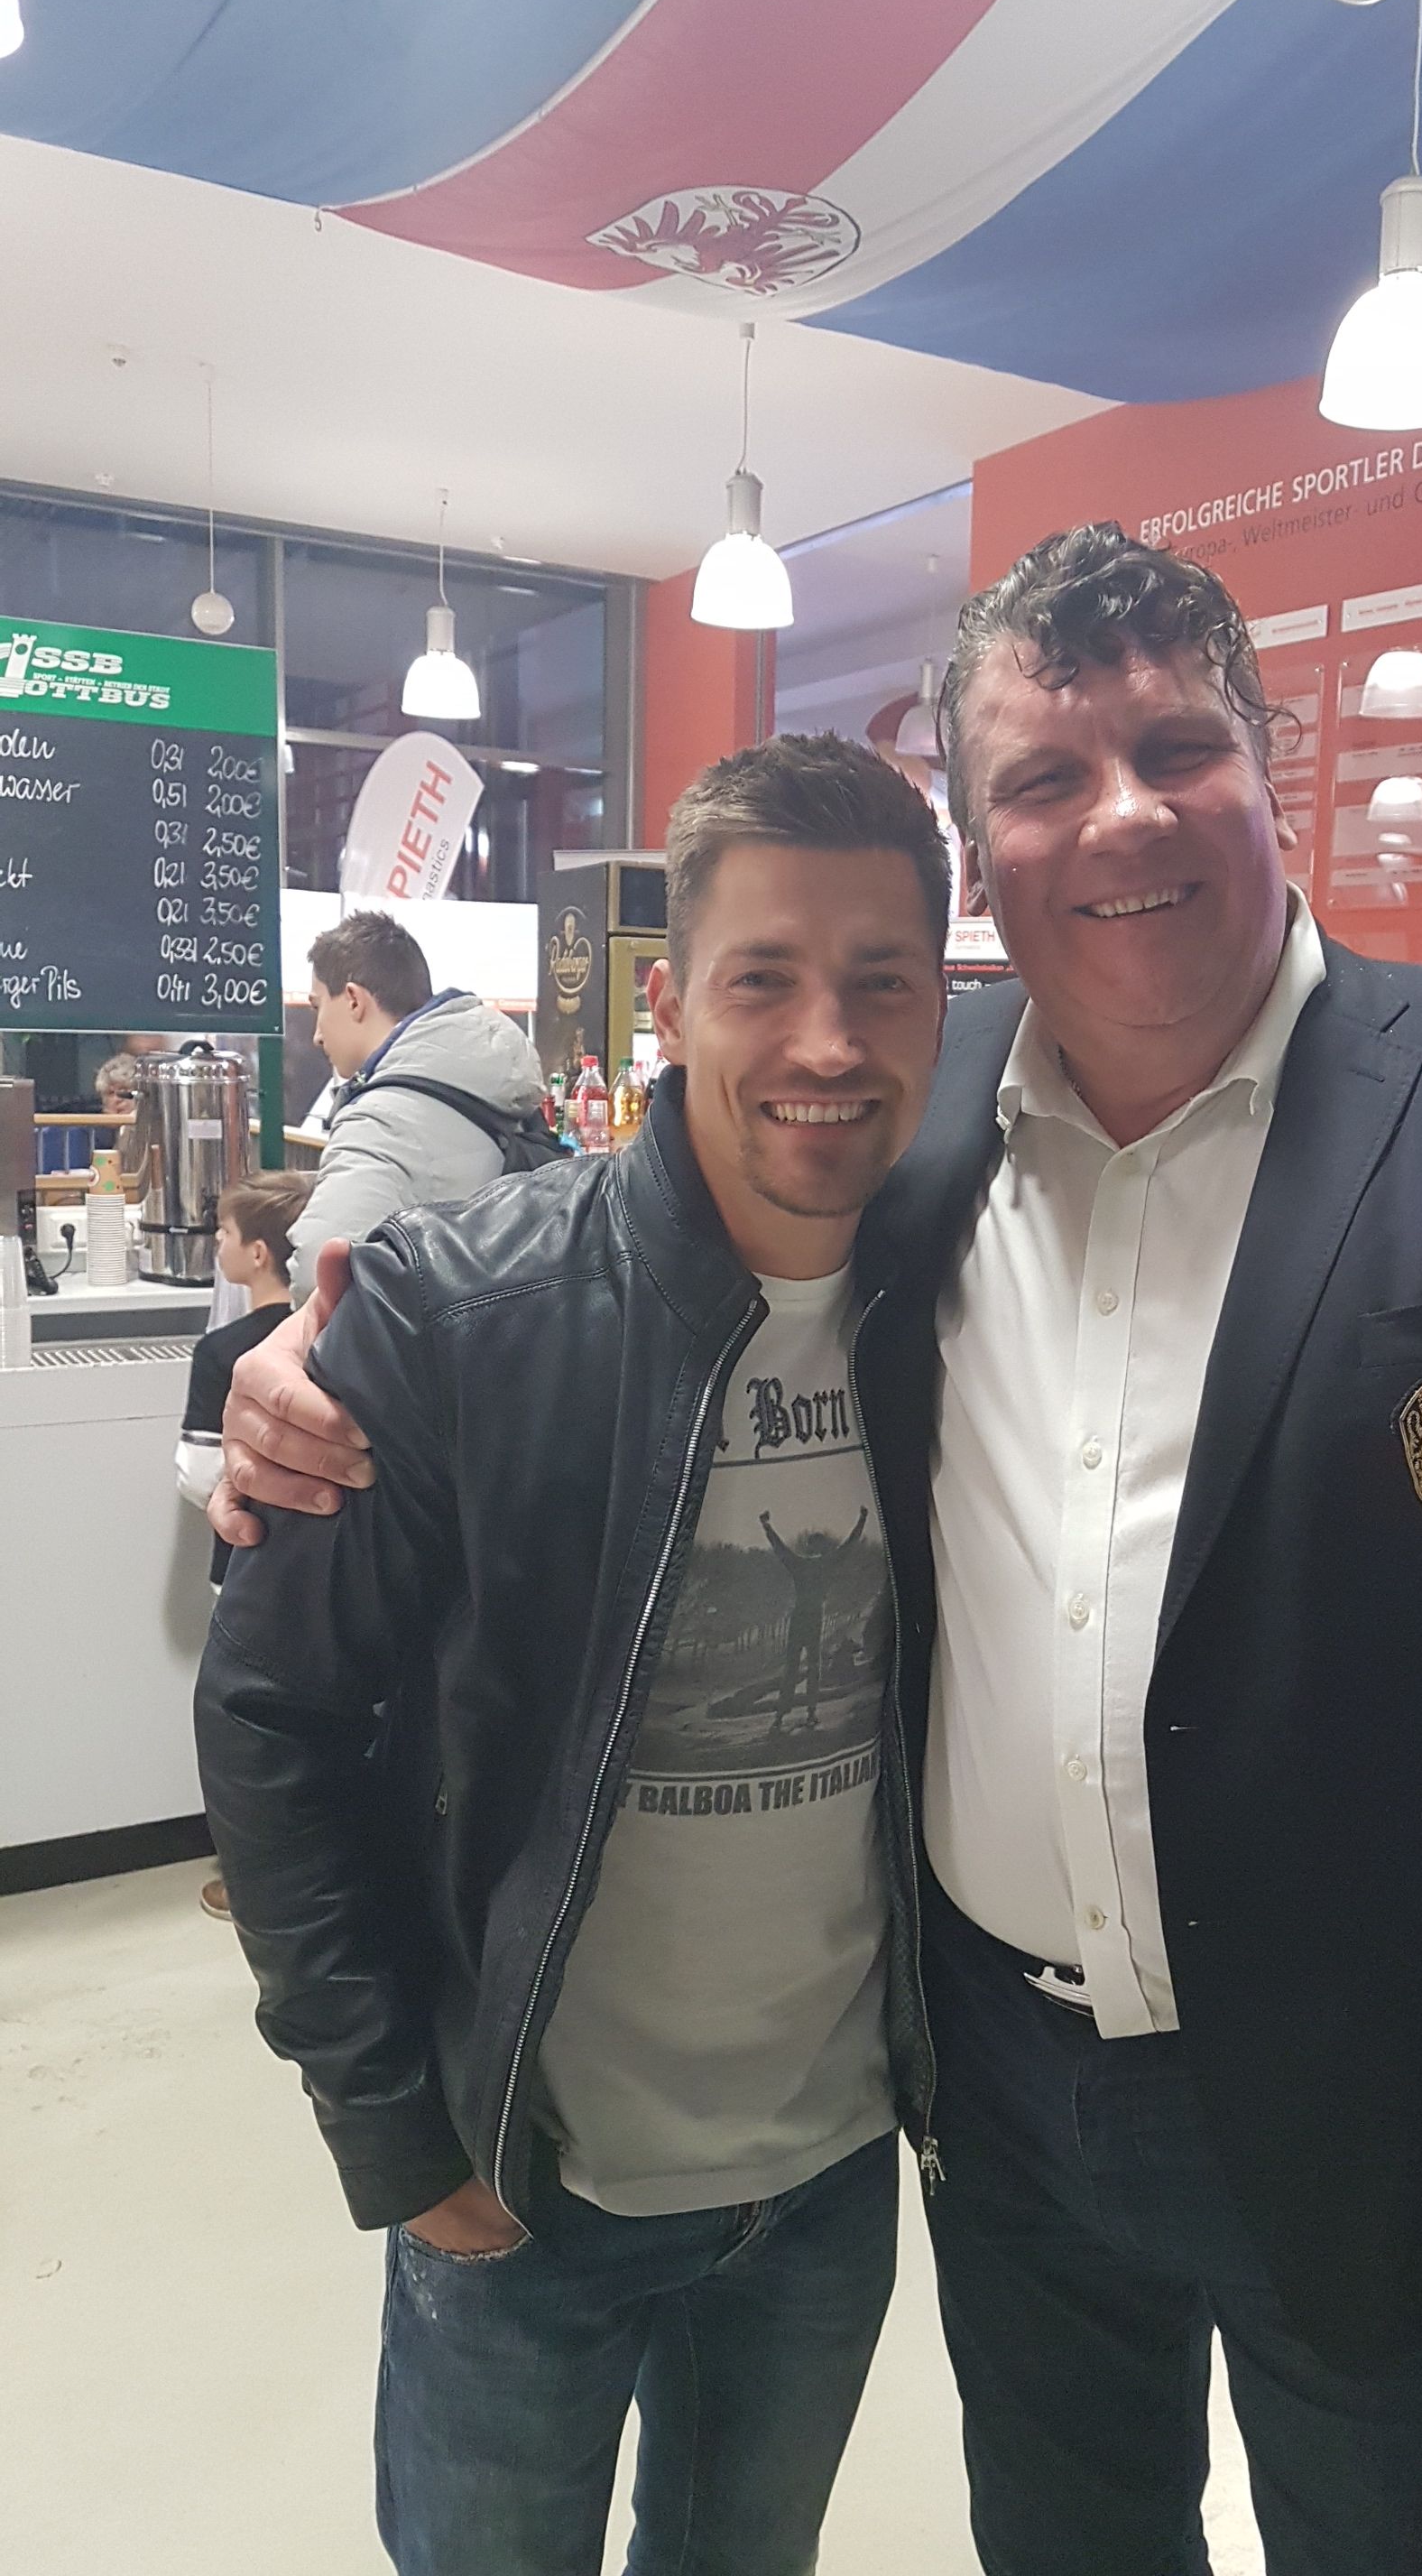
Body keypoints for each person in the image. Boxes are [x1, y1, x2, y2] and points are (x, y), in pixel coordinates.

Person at [215, 525, 1422, 2576]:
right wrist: (319, 1354)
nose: (1119, 813)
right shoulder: (912, 1127)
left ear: (1268, 771)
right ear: (986, 853)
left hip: (1389, 2100)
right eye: (1045, 776)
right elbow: (625, 1247)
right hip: (1002, 2107)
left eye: (1176, 746)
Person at [195, 736, 951, 2576]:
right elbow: (276, 1717)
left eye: (882, 982)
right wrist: (392, 2128)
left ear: (947, 1008)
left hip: (828, 2174)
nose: (828, 1039)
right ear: (670, 1005)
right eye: (763, 978)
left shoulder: (967, 1296)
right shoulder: (464, 1311)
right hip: (523, 2173)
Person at [174, 1168, 313, 1920]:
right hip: (324, 1561)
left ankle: (255, 1882)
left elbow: (201, 1473)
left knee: (256, 1737)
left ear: (259, 1253)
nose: (219, 1244)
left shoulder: (225, 1351)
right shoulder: (338, 1336)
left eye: (225, 1234)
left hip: (247, 1562)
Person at [285, 908, 549, 1298]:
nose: (317, 1035)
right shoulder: (493, 1083)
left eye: (317, 1006)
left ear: (354, 1000)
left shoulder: (383, 1120)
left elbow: (318, 1275)